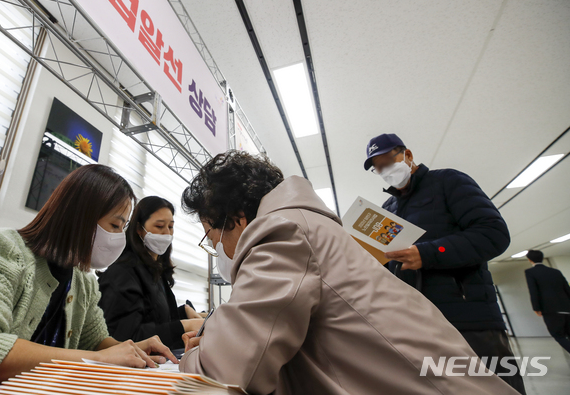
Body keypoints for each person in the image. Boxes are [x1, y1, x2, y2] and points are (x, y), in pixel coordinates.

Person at [179, 150, 520, 395]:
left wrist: (199, 351)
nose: (218, 250)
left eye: (212, 236)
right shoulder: (308, 224)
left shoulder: (281, 231)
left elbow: (225, 373)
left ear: (238, 218)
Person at [0, 164, 176, 388]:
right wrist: (97, 359)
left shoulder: (83, 280)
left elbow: (95, 340)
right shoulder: (0, 250)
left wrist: (132, 350)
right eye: (115, 225)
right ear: (79, 216)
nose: (119, 237)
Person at [364, 133, 524, 394]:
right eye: (377, 168)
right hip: (418, 324)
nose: (384, 171)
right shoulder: (389, 208)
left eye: (387, 161)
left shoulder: (448, 181)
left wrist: (427, 253)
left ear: (407, 155)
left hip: (469, 319)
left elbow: (493, 234)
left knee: (496, 388)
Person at [98, 196, 205, 350]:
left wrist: (184, 312)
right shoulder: (123, 273)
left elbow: (156, 317)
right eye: (159, 226)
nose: (167, 233)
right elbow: (125, 337)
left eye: (171, 226)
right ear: (139, 229)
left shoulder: (155, 270)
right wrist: (184, 326)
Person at [525, 250, 570, 353]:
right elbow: (567, 288)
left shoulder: (530, 272)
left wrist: (536, 308)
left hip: (550, 310)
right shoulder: (555, 271)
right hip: (567, 308)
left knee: (558, 335)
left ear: (529, 260)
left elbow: (533, 290)